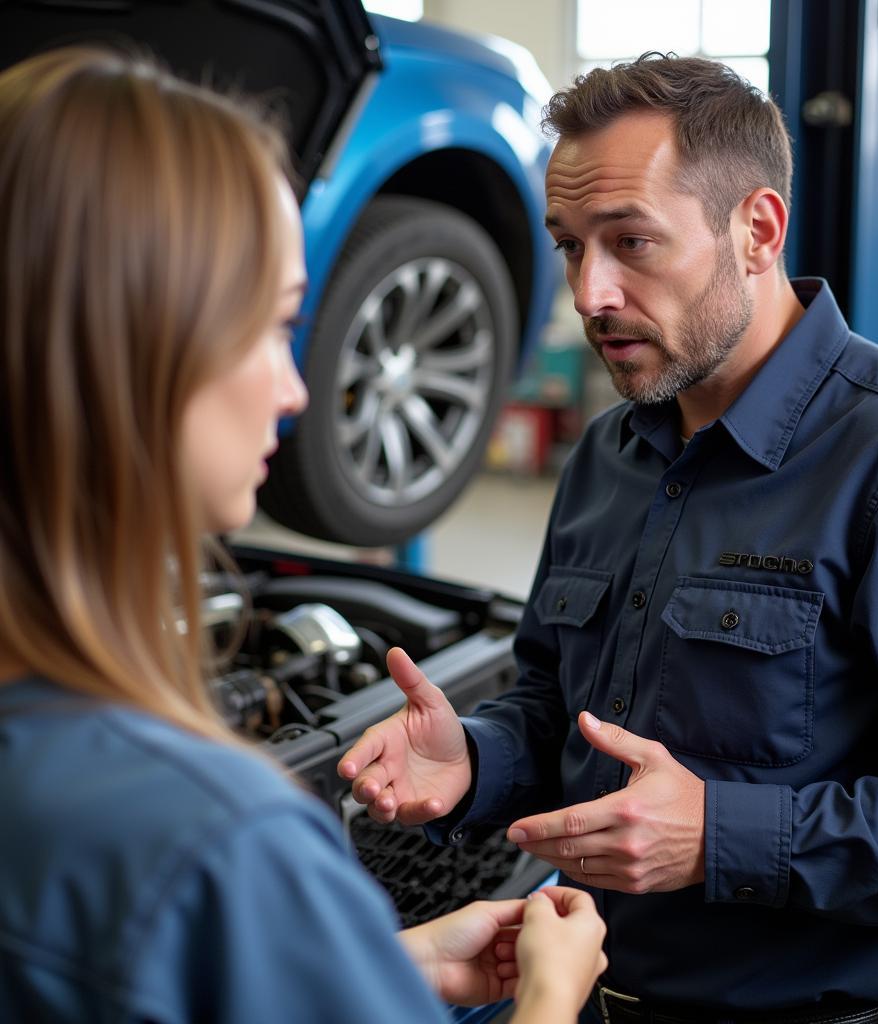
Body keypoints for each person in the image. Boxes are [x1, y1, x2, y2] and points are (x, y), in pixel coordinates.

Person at [339, 54, 878, 1024]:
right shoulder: (609, 453)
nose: (590, 293)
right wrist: (475, 760)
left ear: (757, 229)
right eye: (570, 246)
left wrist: (724, 834)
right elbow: (555, 704)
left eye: (629, 241)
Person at [0, 46, 608, 1023]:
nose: (297, 390)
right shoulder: (219, 842)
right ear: (138, 346)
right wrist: (549, 995)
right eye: (276, 324)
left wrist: (378, 965)